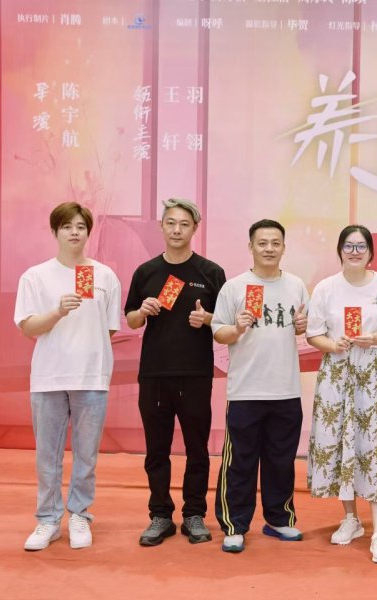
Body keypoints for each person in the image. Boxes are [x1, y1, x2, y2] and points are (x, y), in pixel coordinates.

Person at [14, 202, 121, 551]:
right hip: (49, 376)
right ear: (55, 232)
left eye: (80, 226)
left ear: (88, 232)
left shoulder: (105, 276)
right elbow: (28, 327)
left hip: (92, 377)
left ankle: (79, 515)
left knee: (86, 454)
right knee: (48, 455)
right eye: (67, 226)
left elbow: (109, 328)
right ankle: (48, 519)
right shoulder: (35, 276)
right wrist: (58, 312)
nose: (74, 232)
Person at [124, 198, 226, 546]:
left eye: (184, 224)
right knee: (157, 449)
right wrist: (142, 310)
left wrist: (207, 319)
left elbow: (226, 324)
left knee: (197, 448)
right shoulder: (146, 272)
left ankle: (194, 514)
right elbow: (131, 319)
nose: (177, 230)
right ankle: (160, 516)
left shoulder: (210, 272)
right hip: (154, 373)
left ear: (195, 228)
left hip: (195, 373)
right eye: (171, 223)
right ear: (162, 226)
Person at [306, 225, 377, 564]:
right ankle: (351, 518)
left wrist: (373, 338)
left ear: (371, 252)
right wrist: (333, 344)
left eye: (361, 246)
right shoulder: (326, 288)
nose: (354, 252)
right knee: (341, 439)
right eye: (348, 246)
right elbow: (314, 333)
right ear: (339, 251)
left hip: (373, 371)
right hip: (337, 372)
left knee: (374, 443)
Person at [211, 219, 308, 553]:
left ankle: (279, 518)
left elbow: (303, 328)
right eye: (262, 243)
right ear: (250, 246)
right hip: (246, 390)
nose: (269, 248)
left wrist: (302, 325)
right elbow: (218, 332)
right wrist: (237, 328)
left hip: (286, 389)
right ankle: (234, 525)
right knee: (240, 462)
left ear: (284, 247)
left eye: (275, 243)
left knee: (281, 461)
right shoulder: (235, 287)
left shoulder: (296, 285)